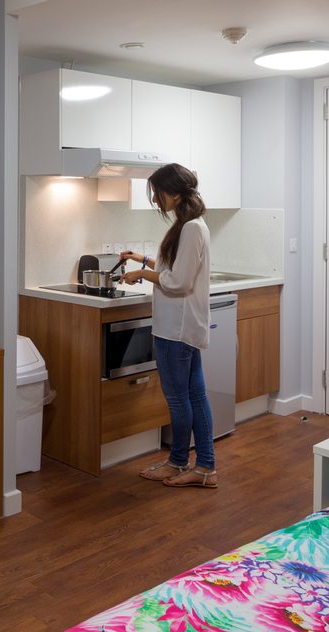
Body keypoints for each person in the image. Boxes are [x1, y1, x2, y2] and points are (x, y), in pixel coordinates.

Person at [120, 163, 218, 488]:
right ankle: (204, 467)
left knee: (179, 399)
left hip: (176, 328)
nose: (156, 200)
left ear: (173, 192)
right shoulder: (189, 224)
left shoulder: (191, 228)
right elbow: (174, 267)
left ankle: (178, 463)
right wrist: (142, 259)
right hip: (181, 325)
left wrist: (142, 275)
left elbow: (177, 281)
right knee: (195, 395)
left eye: (158, 193)